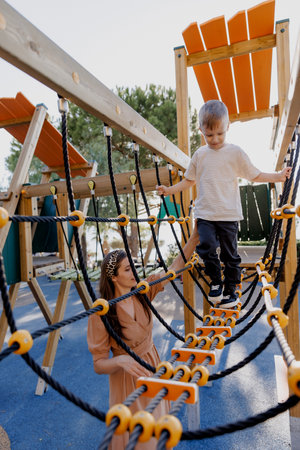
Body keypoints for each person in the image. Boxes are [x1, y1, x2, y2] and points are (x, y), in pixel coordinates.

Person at [156, 100, 291, 308]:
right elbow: (189, 180)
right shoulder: (200, 155)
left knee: (230, 254)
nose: (215, 139)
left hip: (228, 215)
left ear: (227, 126)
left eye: (220, 133)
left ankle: (231, 291)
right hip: (205, 215)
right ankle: (216, 282)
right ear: (200, 130)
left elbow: (254, 174)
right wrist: (169, 191)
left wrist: (278, 176)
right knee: (206, 247)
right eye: (209, 135)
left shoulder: (235, 152)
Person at [87, 228, 199, 450]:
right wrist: (120, 360)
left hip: (152, 364)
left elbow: (174, 269)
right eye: (128, 269)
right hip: (128, 378)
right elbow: (98, 364)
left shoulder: (142, 291)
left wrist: (195, 237)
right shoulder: (102, 312)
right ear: (114, 276)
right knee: (139, 438)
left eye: (134, 267)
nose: (134, 273)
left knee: (157, 428)